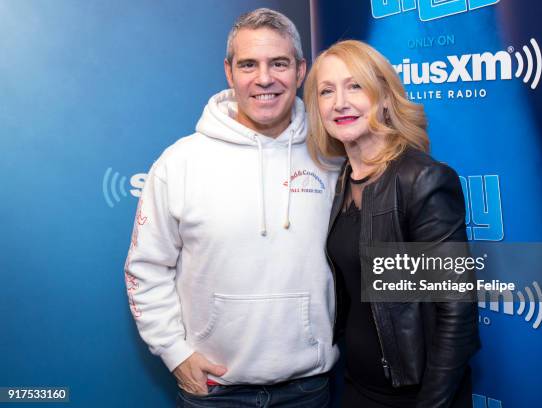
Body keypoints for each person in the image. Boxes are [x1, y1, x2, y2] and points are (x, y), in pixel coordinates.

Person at [124, 9, 339, 407]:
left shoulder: (331, 157)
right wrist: (175, 352)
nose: (264, 78)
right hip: (214, 392)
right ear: (229, 72)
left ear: (301, 70)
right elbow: (146, 268)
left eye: (279, 63)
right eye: (248, 64)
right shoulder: (179, 163)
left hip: (308, 387)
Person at [304, 40, 480, 408]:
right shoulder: (343, 179)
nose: (340, 102)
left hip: (414, 398)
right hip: (355, 387)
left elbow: (456, 310)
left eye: (355, 86)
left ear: (385, 97)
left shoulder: (422, 180)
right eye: (326, 91)